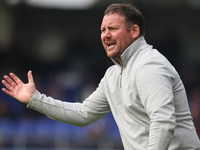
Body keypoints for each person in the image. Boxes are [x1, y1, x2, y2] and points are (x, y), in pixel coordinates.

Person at [2, 3, 200, 150]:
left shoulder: (150, 65)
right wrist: (36, 100)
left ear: (134, 31)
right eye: (103, 30)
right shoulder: (113, 74)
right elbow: (84, 114)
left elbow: (163, 122)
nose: (105, 35)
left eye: (113, 28)